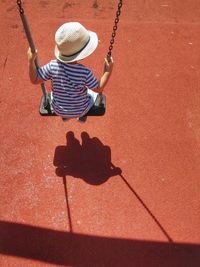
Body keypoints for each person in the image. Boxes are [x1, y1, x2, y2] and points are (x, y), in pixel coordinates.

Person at [27, 22, 113, 122]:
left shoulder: (52, 66)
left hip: (58, 109)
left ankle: (65, 116)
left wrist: (30, 61)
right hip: (81, 110)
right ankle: (81, 115)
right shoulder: (84, 73)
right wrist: (107, 71)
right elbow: (98, 88)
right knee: (92, 94)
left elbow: (35, 79)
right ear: (83, 52)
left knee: (57, 96)